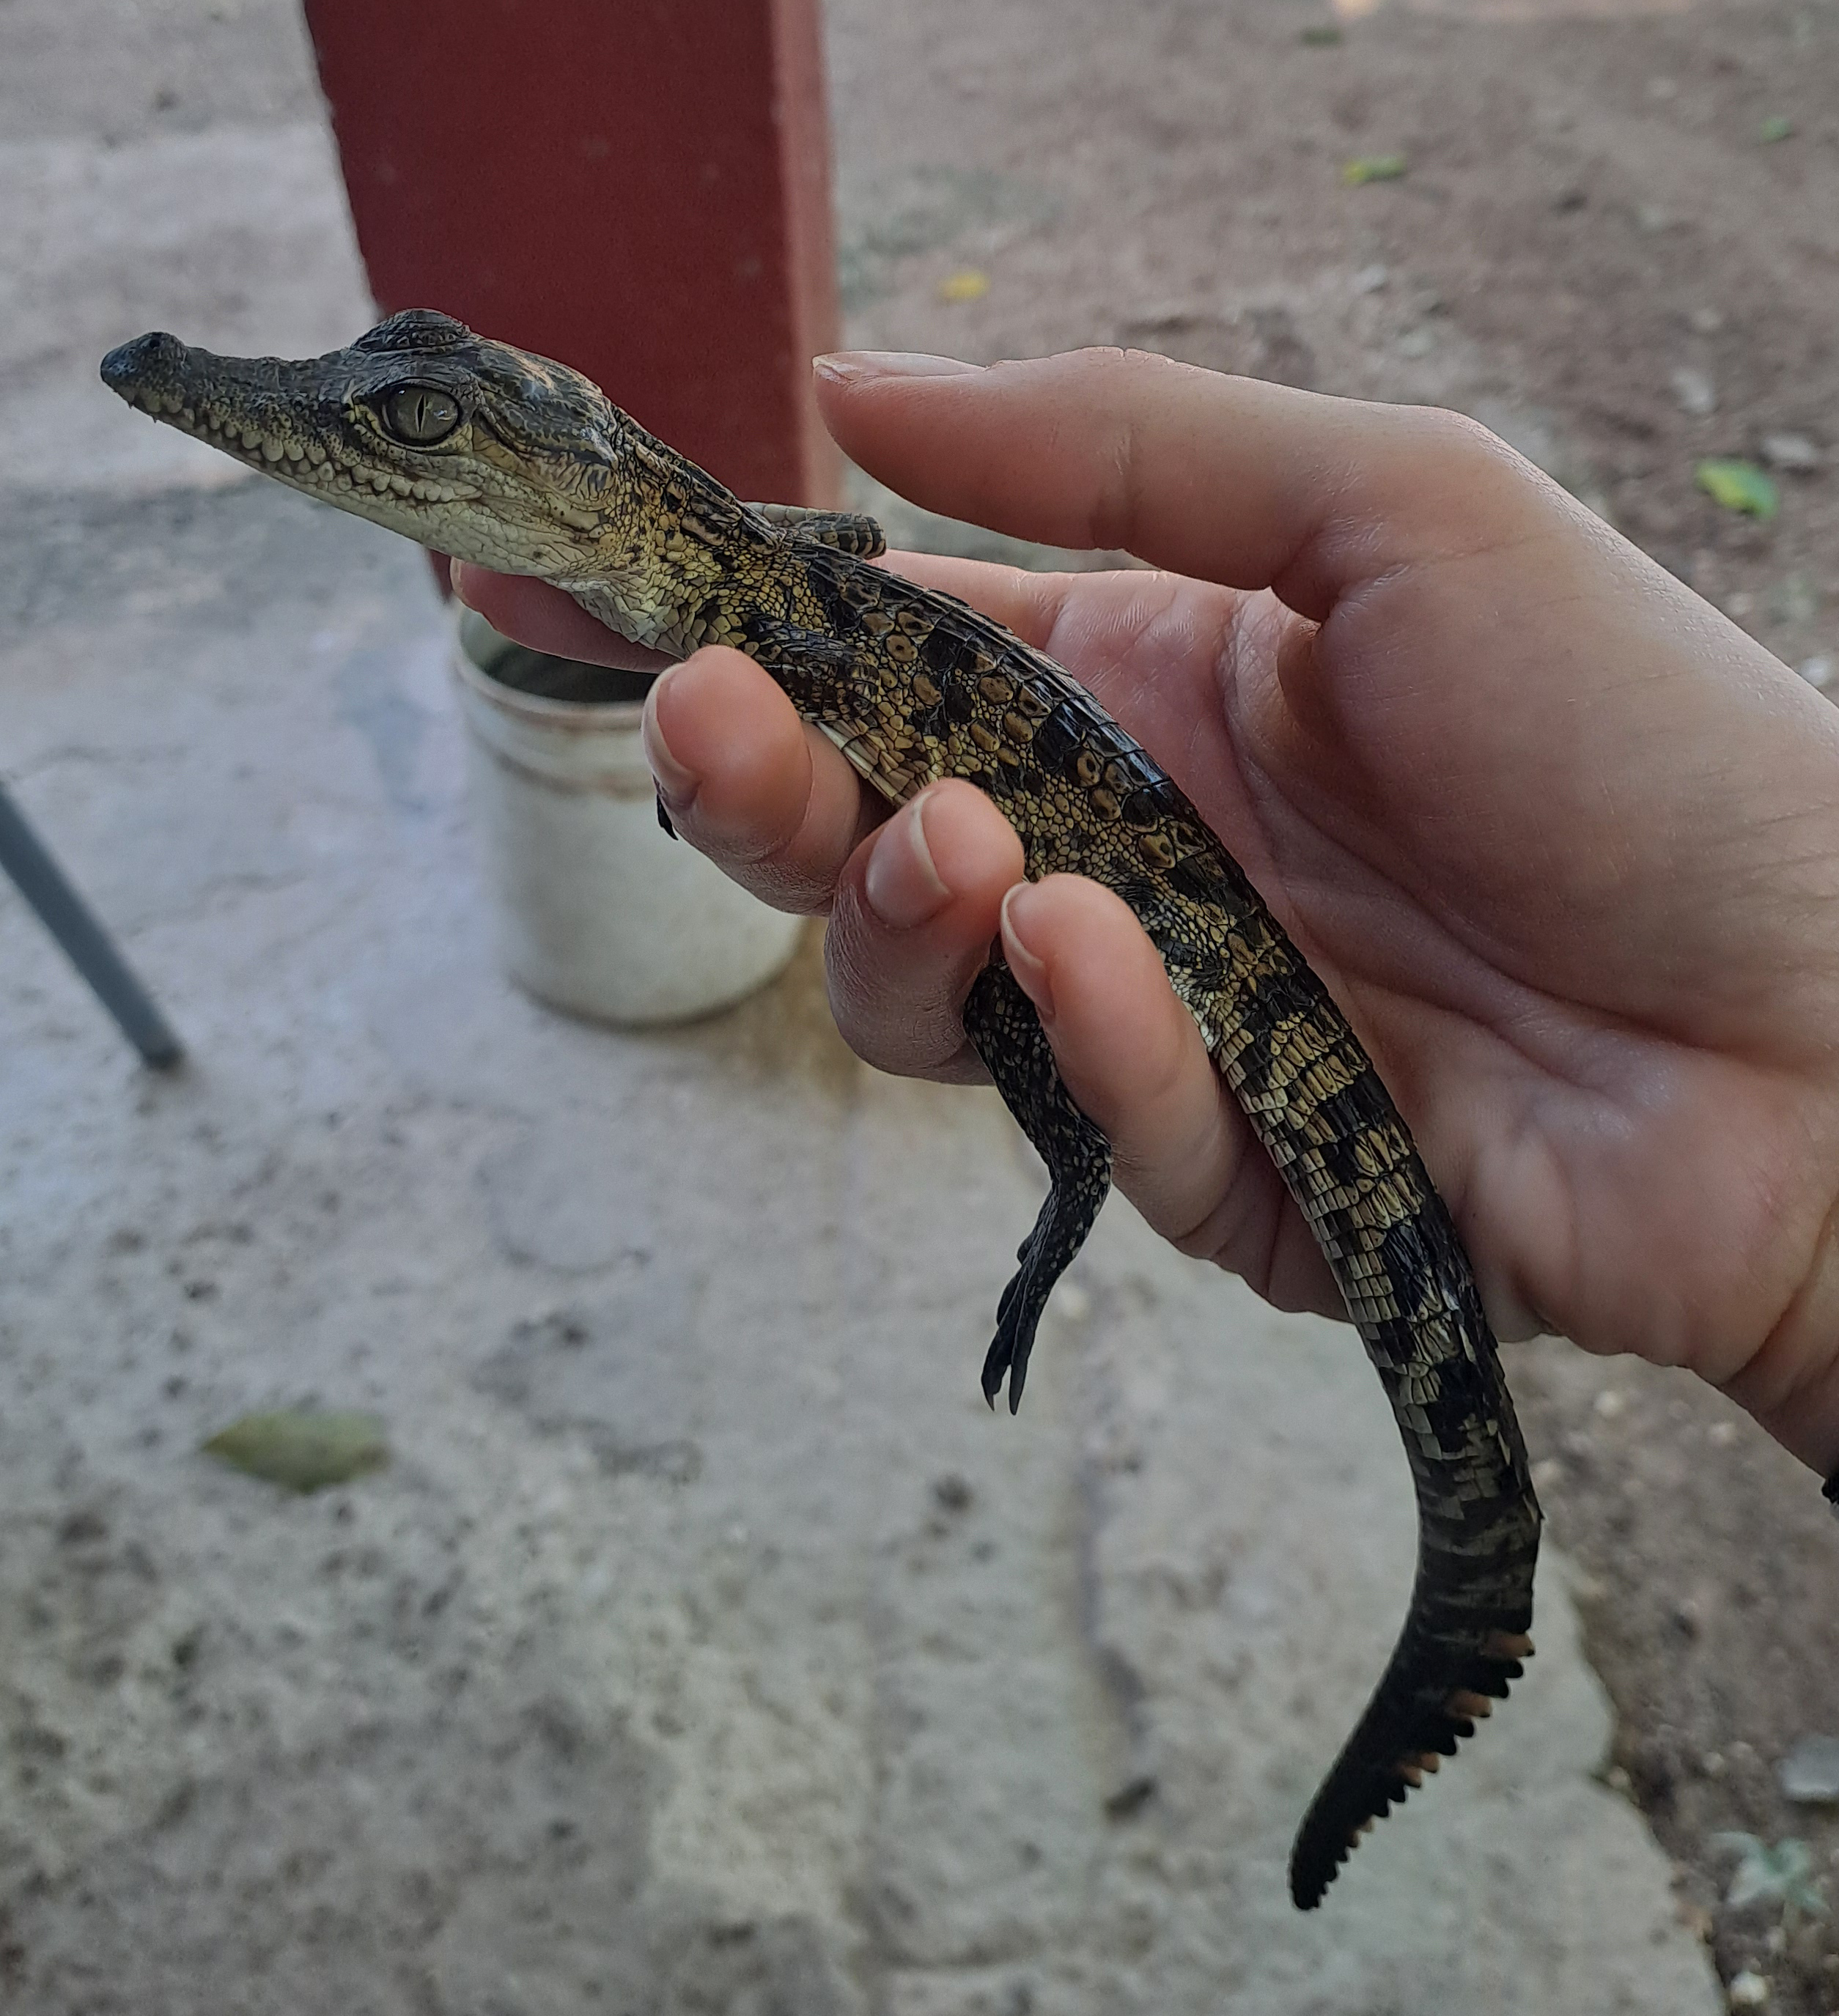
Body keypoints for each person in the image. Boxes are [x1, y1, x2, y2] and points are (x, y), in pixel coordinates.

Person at [454, 347, 1839, 1478]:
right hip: (1130, 859)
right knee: (1006, 928)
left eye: (428, 424)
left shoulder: (745, 603)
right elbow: (853, 543)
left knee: (1014, 941)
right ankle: (1076, 1166)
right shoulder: (742, 584)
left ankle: (1073, 1175)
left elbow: (835, 585)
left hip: (1165, 889)